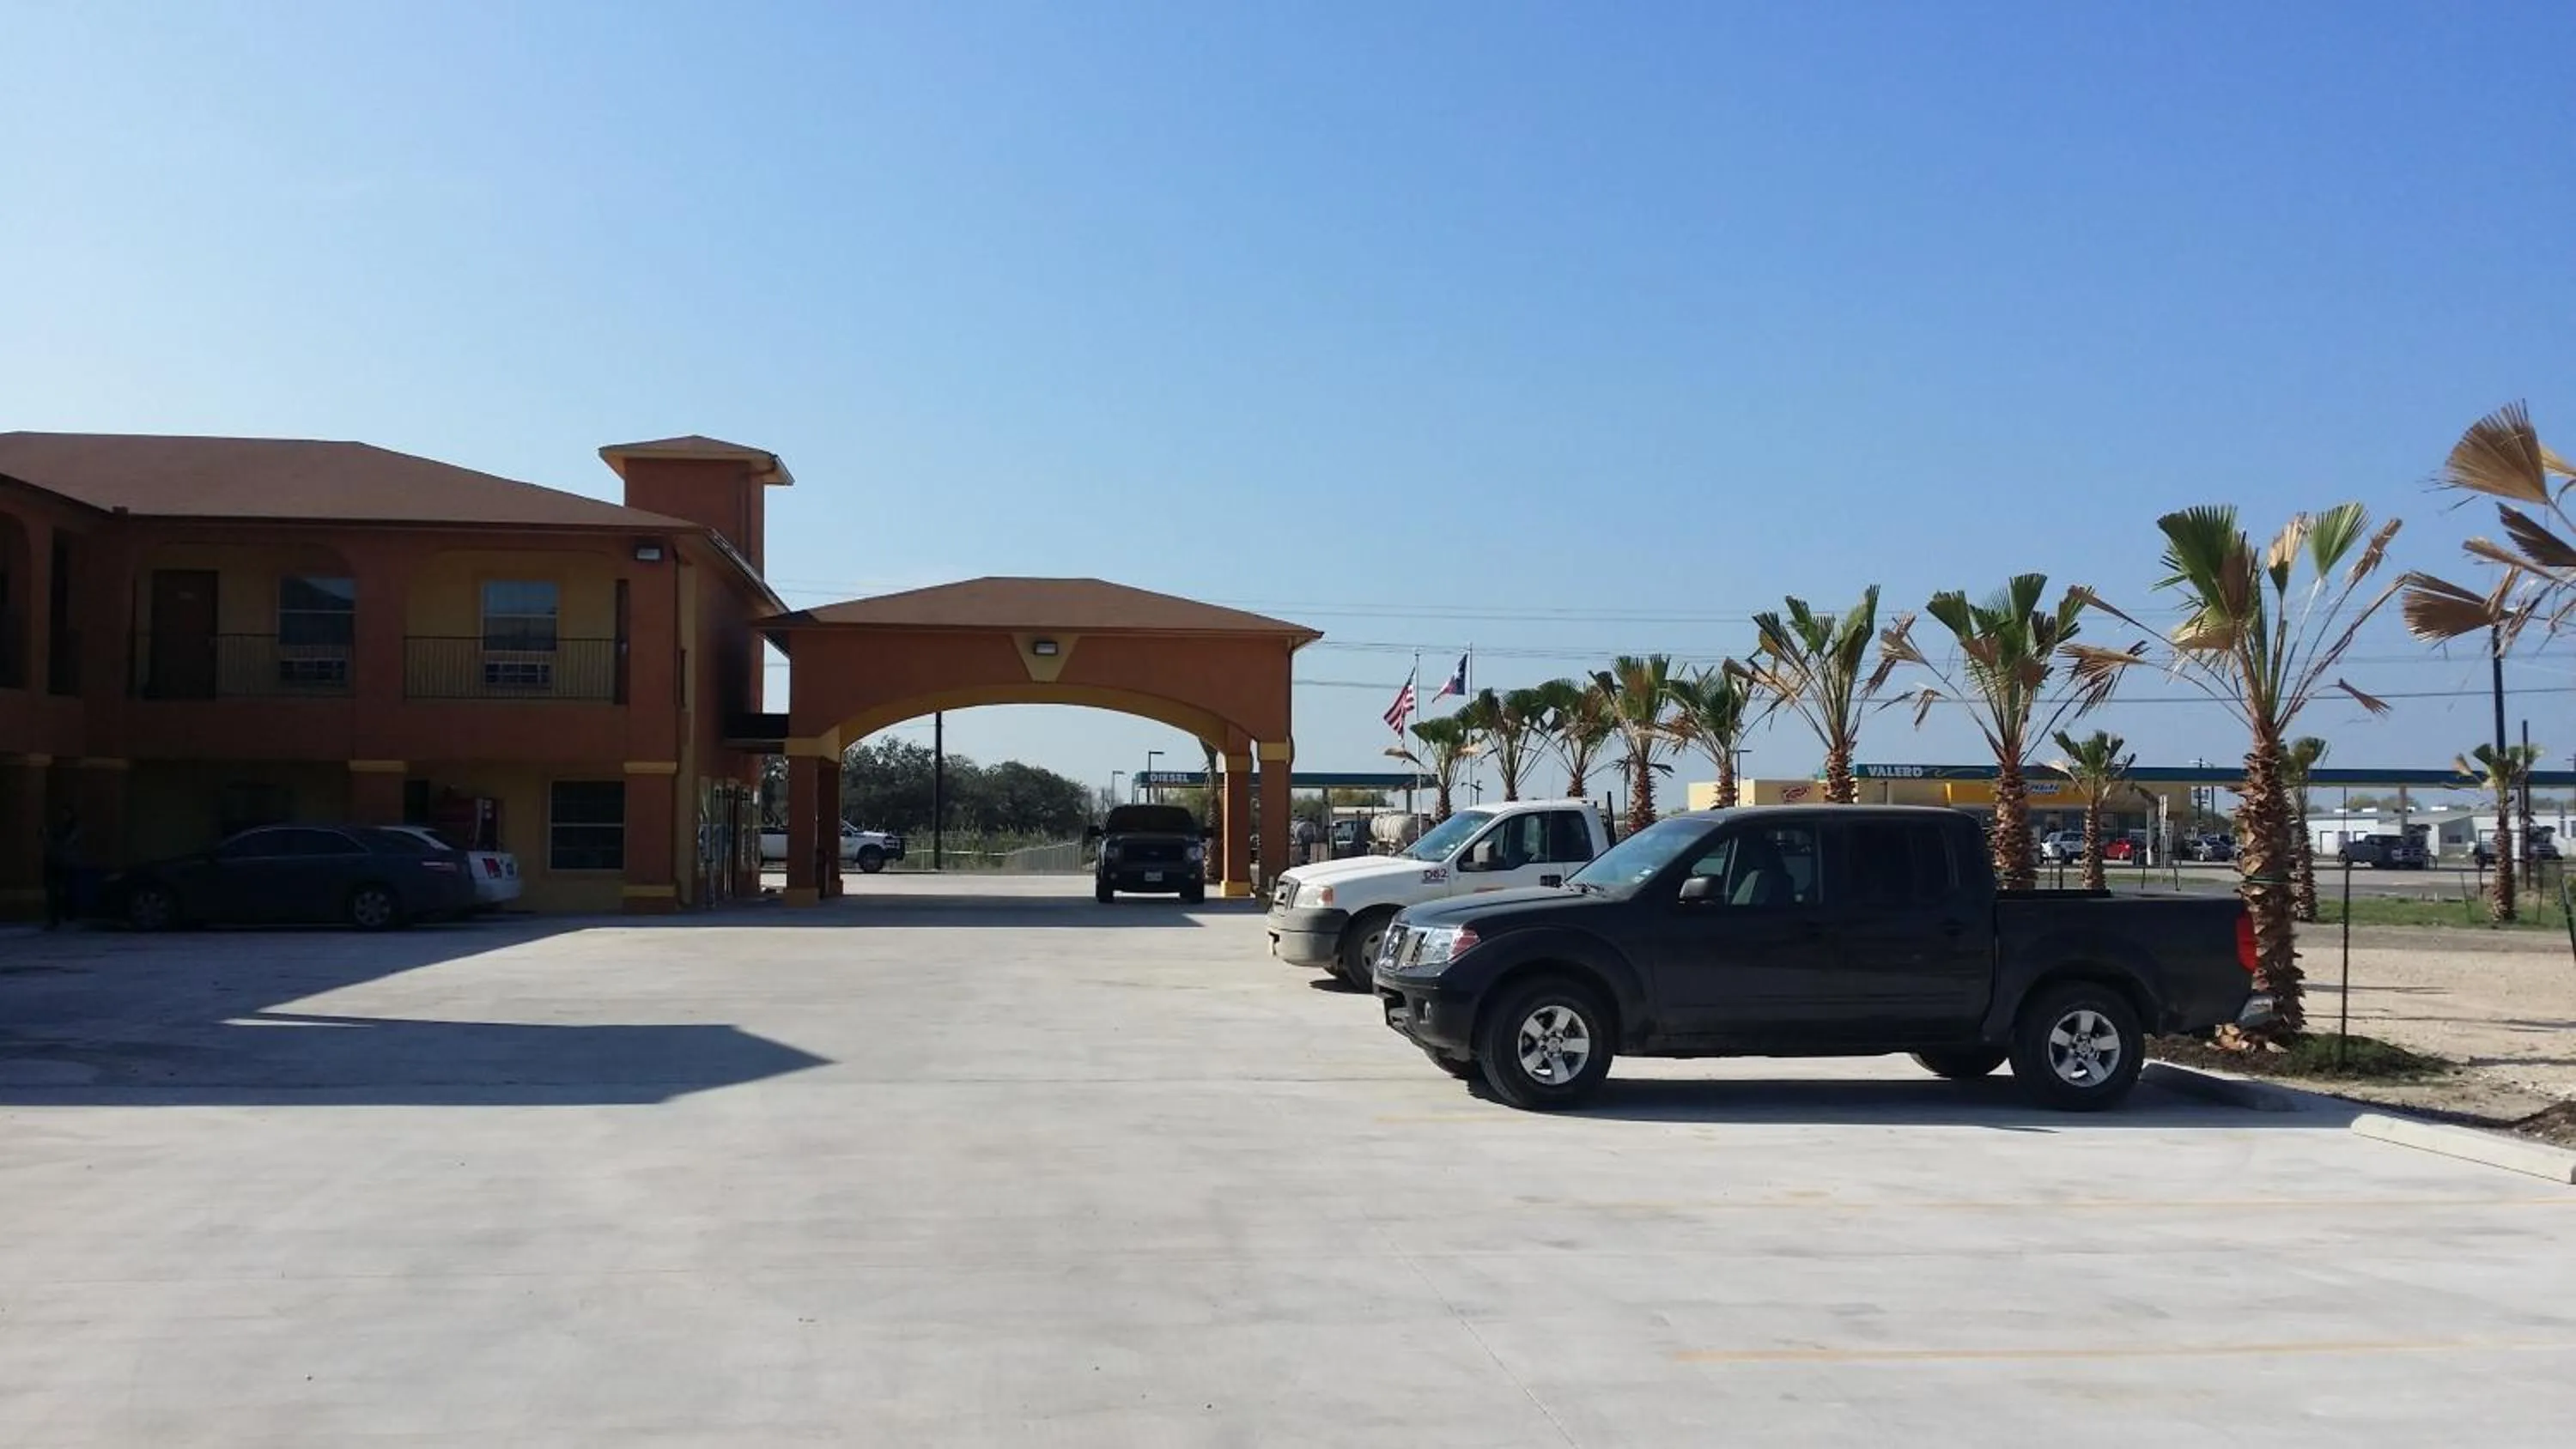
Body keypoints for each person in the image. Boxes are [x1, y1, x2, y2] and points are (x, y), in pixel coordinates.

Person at [42, 805, 79, 931]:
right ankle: (56, 919)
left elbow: (68, 842)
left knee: (63, 891)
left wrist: (51, 840)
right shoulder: (60, 828)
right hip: (56, 863)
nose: (64, 816)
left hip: (65, 864)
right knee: (55, 892)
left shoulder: (73, 828)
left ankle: (64, 917)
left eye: (66, 813)